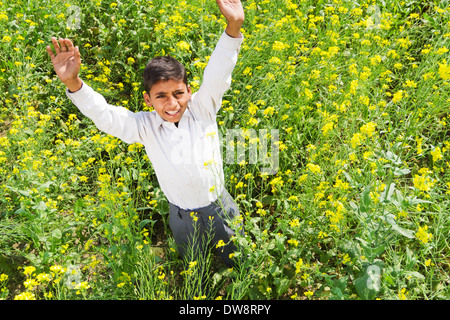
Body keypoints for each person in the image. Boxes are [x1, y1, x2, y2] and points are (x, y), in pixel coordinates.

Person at [46, 0, 245, 285]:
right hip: (181, 214)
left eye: (178, 93)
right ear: (147, 100)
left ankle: (245, 285)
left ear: (190, 91)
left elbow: (218, 73)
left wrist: (233, 27)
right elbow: (106, 116)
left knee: (239, 257)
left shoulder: (203, 108)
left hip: (219, 206)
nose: (172, 103)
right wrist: (74, 83)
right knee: (193, 266)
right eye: (161, 96)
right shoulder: (144, 126)